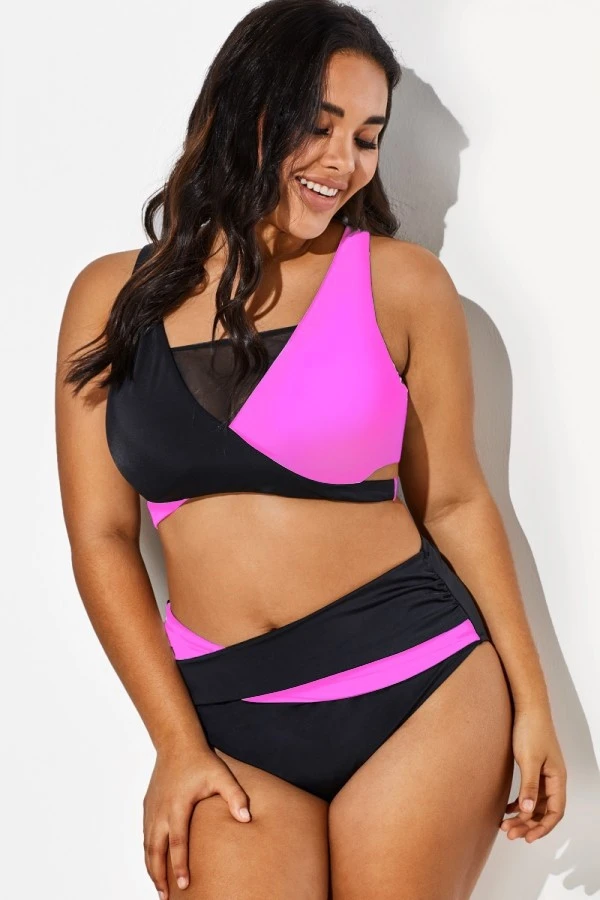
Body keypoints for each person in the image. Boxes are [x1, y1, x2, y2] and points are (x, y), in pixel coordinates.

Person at [54, 1, 567, 897]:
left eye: (368, 137)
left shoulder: (402, 284)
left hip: (420, 686)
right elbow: (100, 537)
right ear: (244, 109)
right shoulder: (109, 299)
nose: (344, 161)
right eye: (318, 125)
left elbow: (455, 501)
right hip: (226, 714)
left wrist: (535, 705)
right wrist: (175, 744)